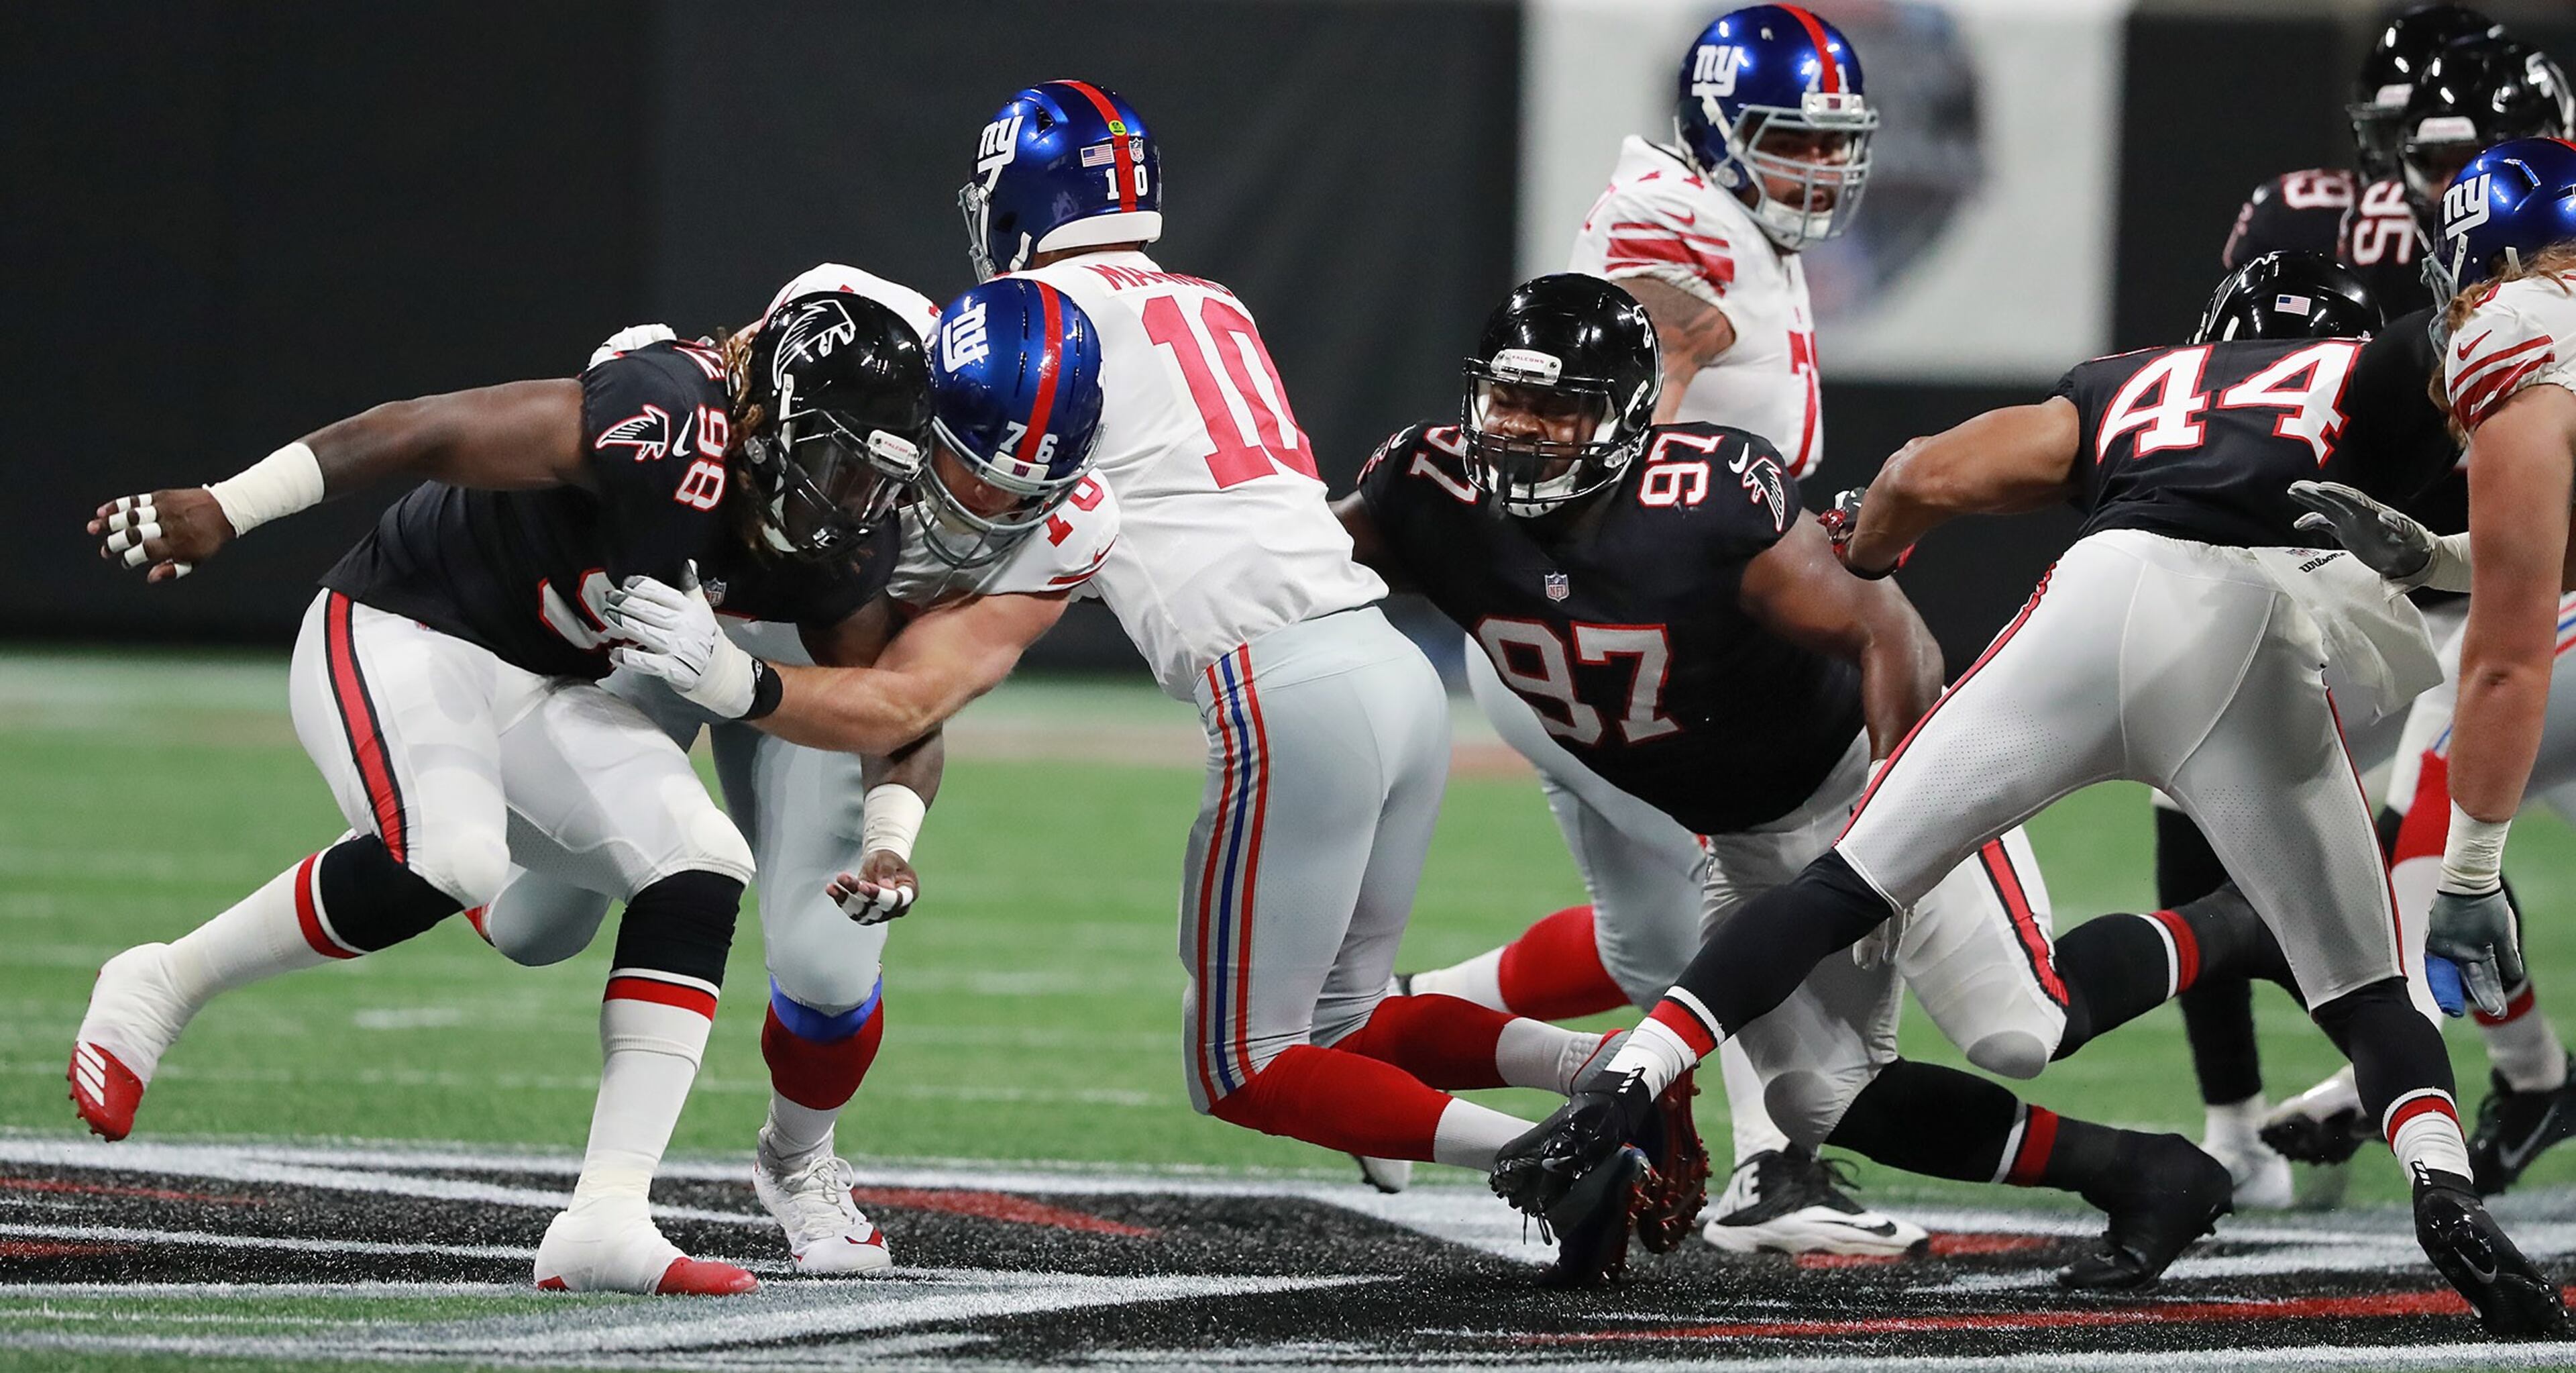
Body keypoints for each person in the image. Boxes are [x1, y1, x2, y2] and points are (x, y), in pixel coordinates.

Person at [606, 82, 1643, 1283]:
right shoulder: (1206, 304)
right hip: (1387, 667)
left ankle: (1550, 1150)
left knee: (1242, 1059)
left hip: (1267, 684)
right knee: (1337, 1026)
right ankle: (1593, 1074)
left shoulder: (1042, 387)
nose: (985, 485)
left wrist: (841, 717)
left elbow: (926, 667)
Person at [1491, 242, 2571, 1333]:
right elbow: (2521, 522)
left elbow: (1923, 475)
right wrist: (2438, 544)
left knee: (1841, 889)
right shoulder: (2406, 369)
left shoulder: (2141, 381)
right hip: (2261, 647)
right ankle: (2444, 1186)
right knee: (2367, 992)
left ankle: (1630, 1078)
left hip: (2101, 598)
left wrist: (1864, 551)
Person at [1356, 273, 2319, 1284]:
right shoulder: (1427, 491)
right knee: (1813, 1101)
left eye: (1558, 408)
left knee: (2019, 1028)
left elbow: (1891, 632)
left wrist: (1897, 819)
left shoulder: (1704, 505)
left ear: (1626, 418)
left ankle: (2232, 924)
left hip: (1869, 781)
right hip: (1740, 838)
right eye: (1508, 399)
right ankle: (2138, 1169)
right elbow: (1303, 564)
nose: (1523, 431)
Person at [72, 289, 940, 1294]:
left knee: (702, 861)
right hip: (404, 625)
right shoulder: (667, 412)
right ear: (761, 421)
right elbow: (423, 430)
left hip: (546, 687)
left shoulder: (842, 548)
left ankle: (606, 1216)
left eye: (877, 480)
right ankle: (163, 980)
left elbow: (897, 713)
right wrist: (227, 505)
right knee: (456, 855)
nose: (851, 503)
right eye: (836, 463)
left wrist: (888, 835)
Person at [476, 266, 1120, 1275]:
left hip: (823, 684)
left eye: (1019, 494)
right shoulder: (851, 342)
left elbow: (909, 700)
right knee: (531, 926)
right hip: (694, 616)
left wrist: (888, 842)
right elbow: (703, 399)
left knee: (827, 961)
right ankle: (424, 801)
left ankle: (799, 1157)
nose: (984, 509)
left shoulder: (1073, 526)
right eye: (965, 468)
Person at [1402, 0, 1917, 1254]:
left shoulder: (1746, 228)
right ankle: (1774, 1169)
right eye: (1792, 141)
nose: (1823, 170)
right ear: (1720, 132)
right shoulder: (1680, 222)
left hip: (1633, 629)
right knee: (1739, 894)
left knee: (1651, 945)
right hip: (1602, 635)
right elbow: (1638, 341)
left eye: (1834, 144)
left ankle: (1409, 1031)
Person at [2201, 19, 2576, 1193]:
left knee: (2448, 750)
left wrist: (2467, 874)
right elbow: (2548, 558)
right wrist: (2434, 555)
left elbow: (2513, 647)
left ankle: (2412, 1054)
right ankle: (2526, 1072)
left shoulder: (2524, 329)